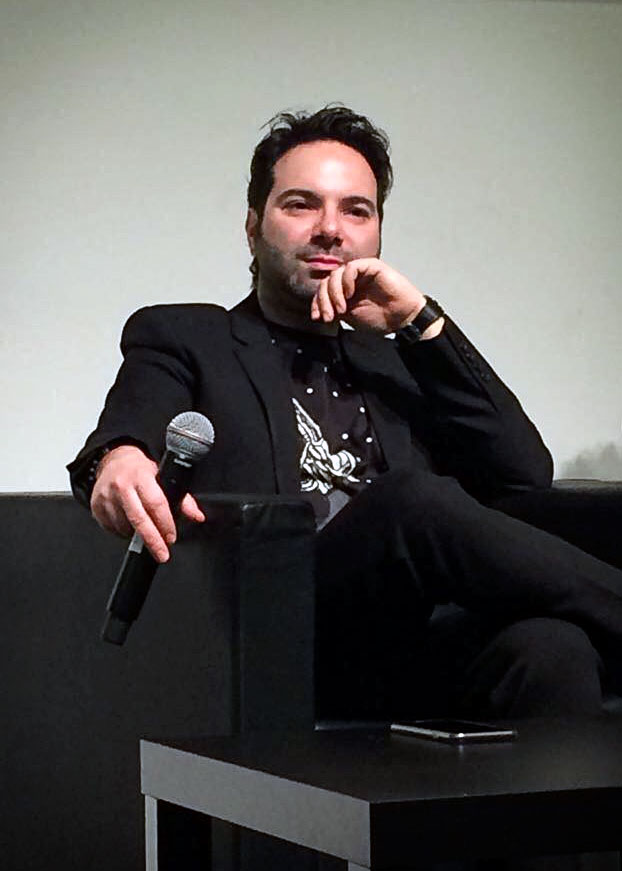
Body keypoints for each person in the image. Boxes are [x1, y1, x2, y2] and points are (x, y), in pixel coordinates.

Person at [68, 105, 622, 727]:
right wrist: (118, 459)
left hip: (409, 646)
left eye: (357, 211)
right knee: (409, 500)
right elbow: (128, 429)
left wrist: (420, 322)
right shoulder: (190, 337)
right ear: (252, 227)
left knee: (553, 648)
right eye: (301, 205)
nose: (331, 229)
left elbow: (523, 474)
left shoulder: (401, 361)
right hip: (278, 637)